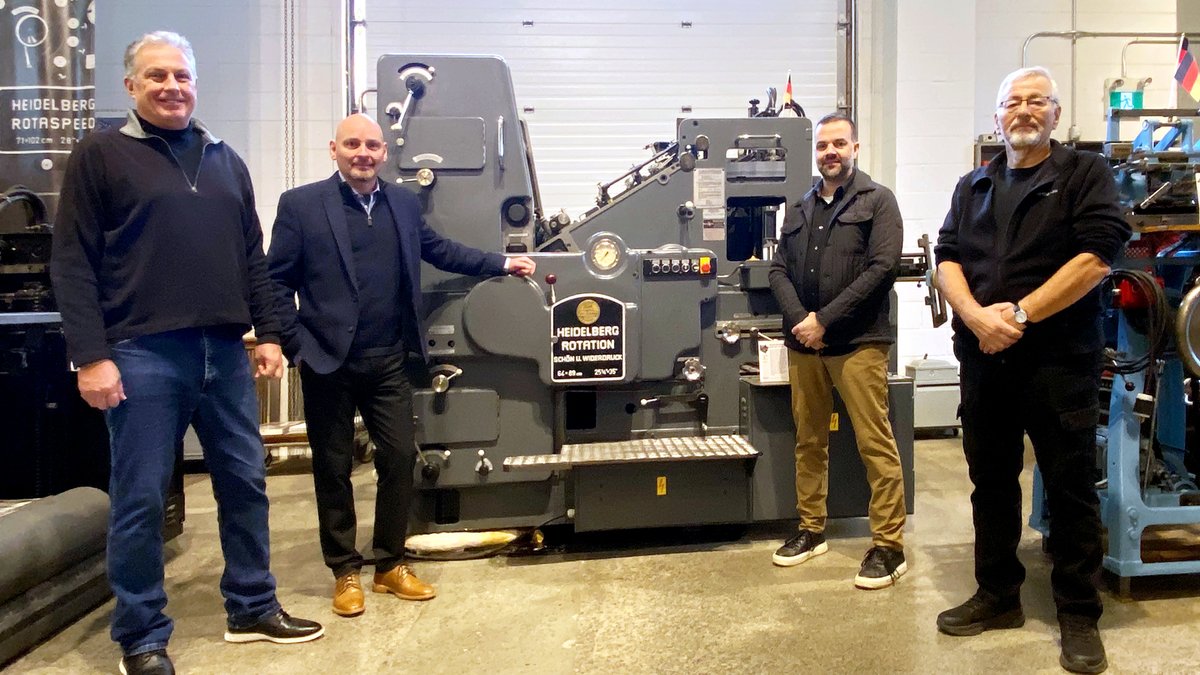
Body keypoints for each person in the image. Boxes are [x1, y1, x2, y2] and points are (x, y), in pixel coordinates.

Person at [50, 31, 323, 675]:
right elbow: (72, 261)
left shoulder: (224, 158)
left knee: (245, 483)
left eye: (181, 75)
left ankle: (251, 606)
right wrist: (90, 355)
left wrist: (271, 331)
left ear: (194, 83)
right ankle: (141, 636)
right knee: (141, 497)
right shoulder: (100, 155)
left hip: (226, 350)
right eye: (156, 76)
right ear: (131, 87)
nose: (171, 86)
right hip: (141, 353)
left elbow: (251, 259)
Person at [266, 113, 535, 617]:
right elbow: (276, 279)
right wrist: (291, 341)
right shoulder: (301, 205)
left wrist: (501, 262)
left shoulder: (401, 203)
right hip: (327, 359)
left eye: (371, 145)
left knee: (399, 459)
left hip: (389, 358)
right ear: (334, 149)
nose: (362, 153)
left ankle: (389, 563)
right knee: (333, 466)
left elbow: (439, 250)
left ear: (384, 153)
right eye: (352, 145)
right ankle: (345, 569)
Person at [934, 66, 1130, 674]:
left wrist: (1017, 314)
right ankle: (998, 595)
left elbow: (1098, 255)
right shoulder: (975, 184)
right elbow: (947, 257)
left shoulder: (1083, 174)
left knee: (1070, 490)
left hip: (1057, 362)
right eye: (1011, 102)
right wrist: (973, 316)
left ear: (1054, 112)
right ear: (997, 117)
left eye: (1035, 101)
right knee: (990, 485)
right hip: (984, 364)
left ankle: (1077, 612)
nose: (1022, 110)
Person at [767, 112, 908, 589]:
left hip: (858, 343)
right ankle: (811, 530)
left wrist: (824, 320)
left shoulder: (878, 201)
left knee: (875, 442)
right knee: (809, 440)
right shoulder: (801, 206)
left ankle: (889, 545)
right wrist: (801, 322)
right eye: (823, 145)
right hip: (804, 344)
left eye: (839, 144)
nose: (830, 151)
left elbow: (882, 268)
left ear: (855, 148)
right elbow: (779, 270)